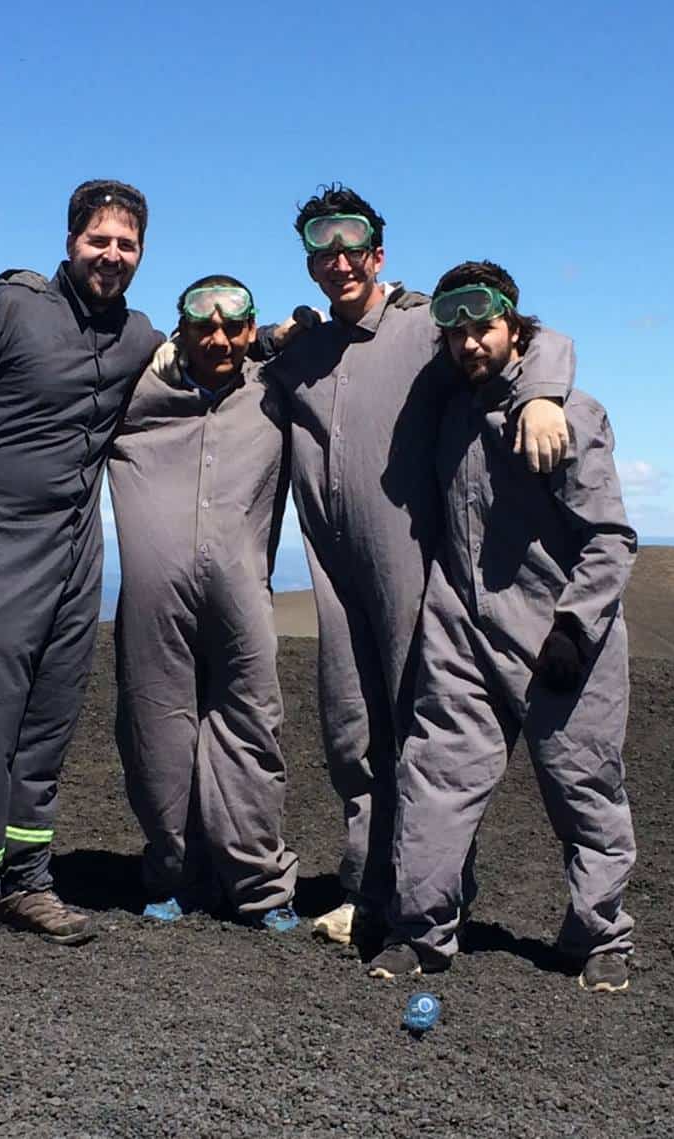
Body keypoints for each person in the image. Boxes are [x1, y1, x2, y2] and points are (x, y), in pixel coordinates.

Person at [262, 185, 575, 946]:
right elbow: (227, 346)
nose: (338, 261)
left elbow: (534, 335)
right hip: (331, 568)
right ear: (309, 261)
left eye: (352, 245)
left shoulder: (422, 325)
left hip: (409, 558)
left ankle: (434, 887)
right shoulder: (301, 348)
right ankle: (371, 886)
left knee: (419, 725)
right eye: (321, 249)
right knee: (350, 729)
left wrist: (542, 397)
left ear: (379, 251)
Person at [0, 180, 164, 955]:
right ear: (72, 240)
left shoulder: (136, 334)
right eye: (99, 240)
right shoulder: (6, 310)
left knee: (49, 718)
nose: (112, 255)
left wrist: (275, 334)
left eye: (127, 244)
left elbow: (204, 353)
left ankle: (25, 881)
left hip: (77, 550)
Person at [365, 261, 639, 993]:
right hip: (461, 633)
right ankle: (419, 930)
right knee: (435, 780)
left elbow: (610, 538)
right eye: (453, 332)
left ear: (514, 325)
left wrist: (577, 630)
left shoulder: (570, 414)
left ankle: (600, 935)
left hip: (558, 636)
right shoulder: (451, 407)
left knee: (584, 786)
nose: (468, 342)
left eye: (482, 326)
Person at [106, 276, 300, 931]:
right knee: (156, 732)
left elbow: (342, 341)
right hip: (152, 602)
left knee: (251, 728)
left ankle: (260, 884)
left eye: (233, 327)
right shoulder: (136, 390)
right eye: (202, 326)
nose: (217, 338)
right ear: (179, 330)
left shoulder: (276, 389)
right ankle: (173, 872)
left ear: (250, 332)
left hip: (242, 593)